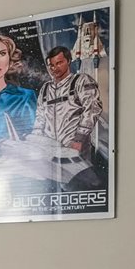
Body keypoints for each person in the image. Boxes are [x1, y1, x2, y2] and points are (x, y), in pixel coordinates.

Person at [33, 44, 104, 190]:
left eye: (59, 63)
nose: (54, 68)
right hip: (49, 151)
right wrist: (35, 140)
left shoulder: (81, 81)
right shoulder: (46, 89)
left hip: (74, 147)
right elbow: (40, 117)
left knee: (79, 187)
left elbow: (92, 108)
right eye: (51, 65)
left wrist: (79, 139)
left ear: (68, 61)